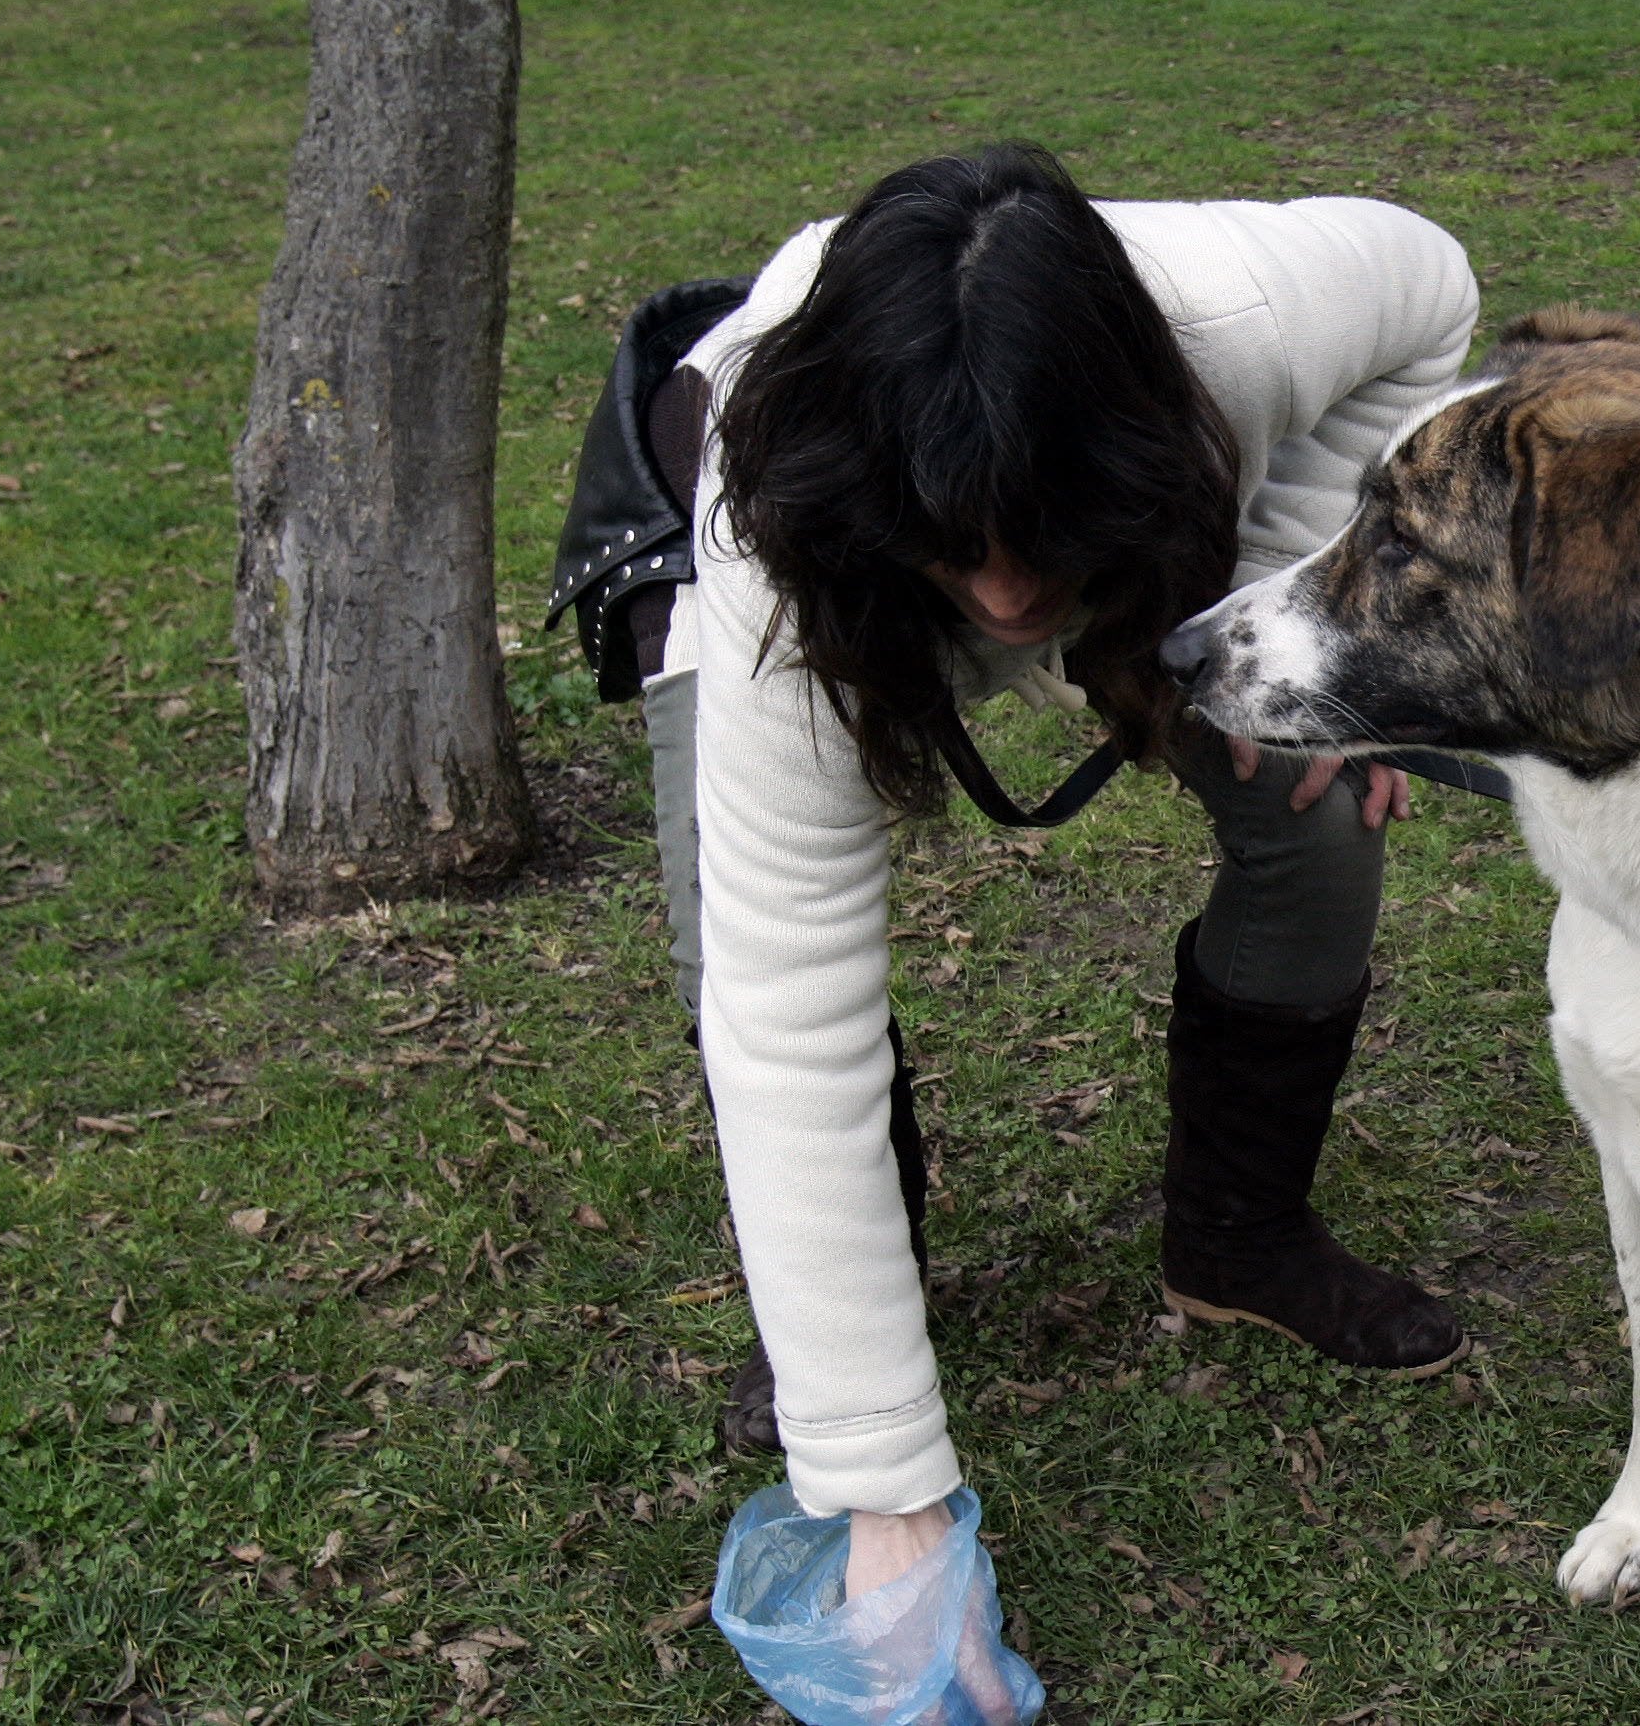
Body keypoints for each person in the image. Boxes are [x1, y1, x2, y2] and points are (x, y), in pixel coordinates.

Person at [597, 144, 1481, 1598]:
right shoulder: (784, 528)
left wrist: (1297, 572)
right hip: (837, 564)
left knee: (1320, 823)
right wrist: (884, 1486)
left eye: (1037, 549)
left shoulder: (1259, 316)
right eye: (976, 558)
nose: (1009, 601)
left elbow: (1433, 289)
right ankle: (837, 1322)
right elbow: (790, 1007)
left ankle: (1239, 1241)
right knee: (731, 957)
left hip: (1154, 537)